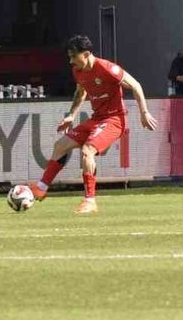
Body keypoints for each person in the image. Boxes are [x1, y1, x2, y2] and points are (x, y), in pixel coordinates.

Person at [25, 35, 158, 215]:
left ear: (86, 54)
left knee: (87, 151)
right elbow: (81, 93)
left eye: (73, 56)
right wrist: (71, 115)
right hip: (97, 119)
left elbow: (136, 85)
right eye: (69, 56)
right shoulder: (78, 71)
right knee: (60, 145)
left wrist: (144, 112)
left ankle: (90, 200)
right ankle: (41, 188)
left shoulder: (107, 68)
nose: (71, 61)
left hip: (114, 120)